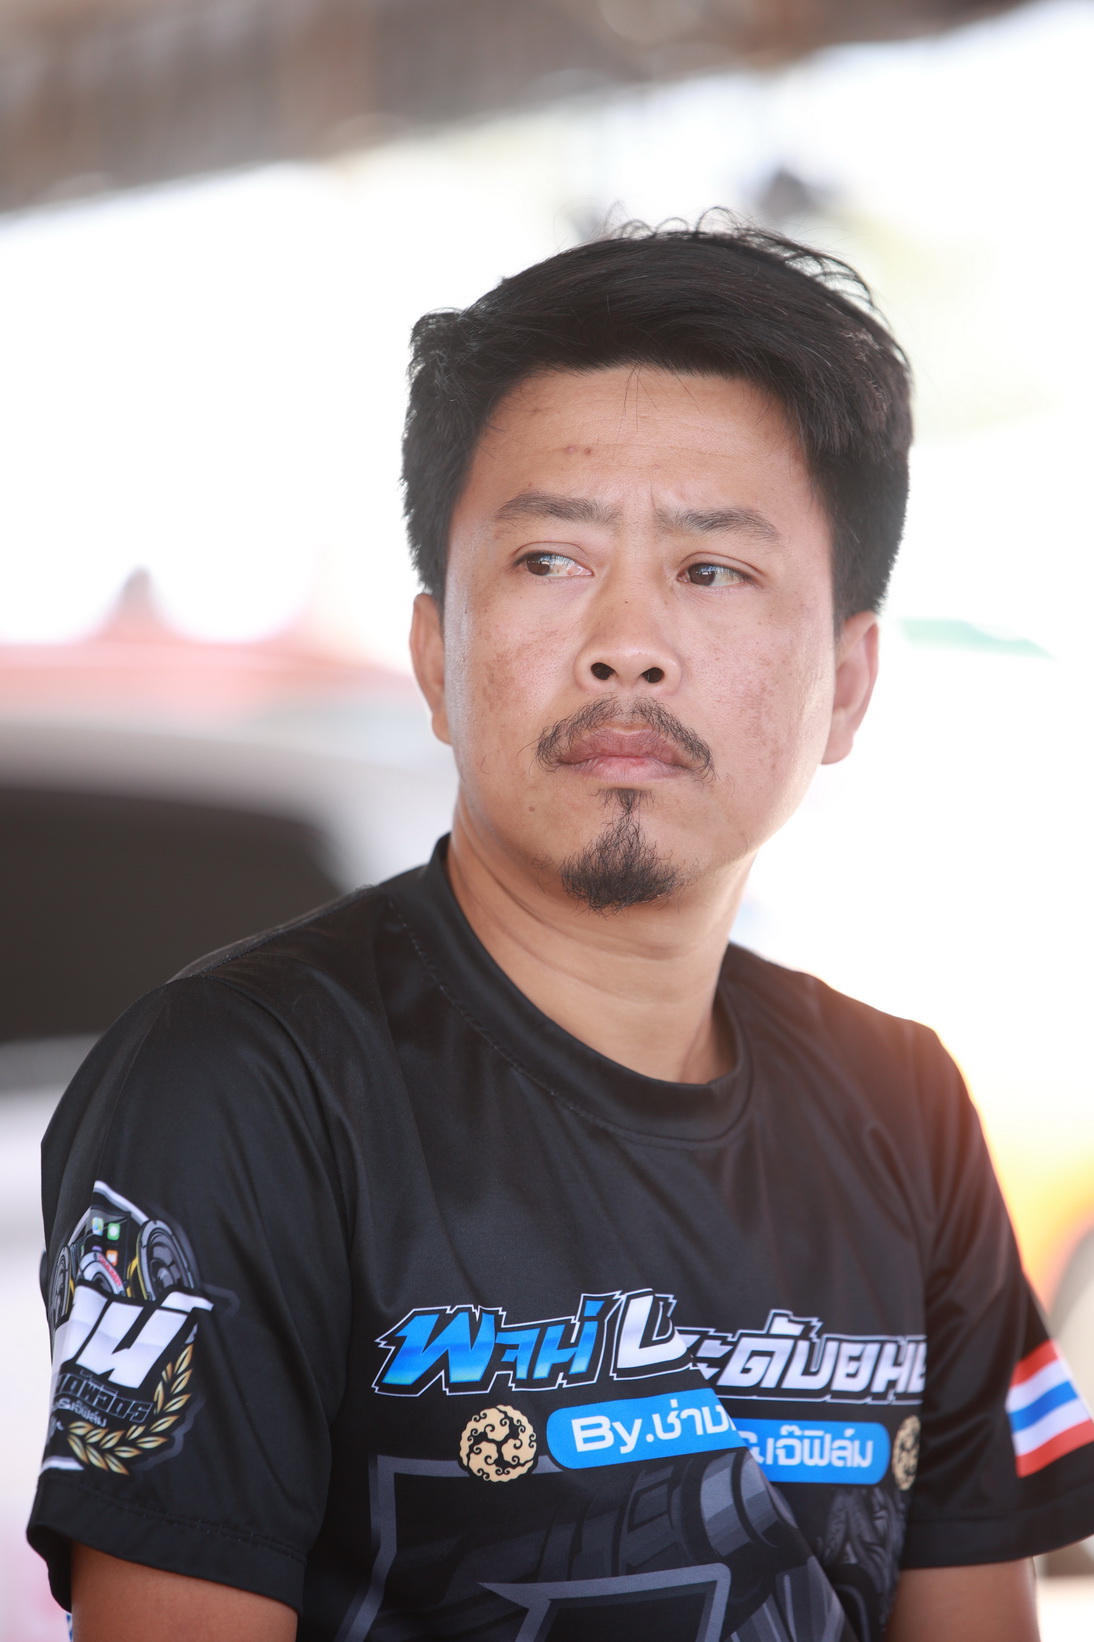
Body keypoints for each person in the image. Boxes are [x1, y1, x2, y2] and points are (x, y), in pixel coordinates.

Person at [28, 220, 1094, 1642]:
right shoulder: (245, 1084)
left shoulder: (902, 1104)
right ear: (436, 657)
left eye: (713, 570)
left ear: (846, 683)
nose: (626, 642)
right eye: (547, 558)